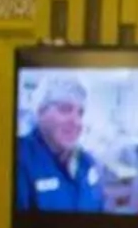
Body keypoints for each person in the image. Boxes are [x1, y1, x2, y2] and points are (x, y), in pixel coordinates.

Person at [16, 74, 108, 213]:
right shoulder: (20, 159)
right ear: (40, 111)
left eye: (80, 113)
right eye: (65, 109)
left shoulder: (87, 163)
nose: (76, 122)